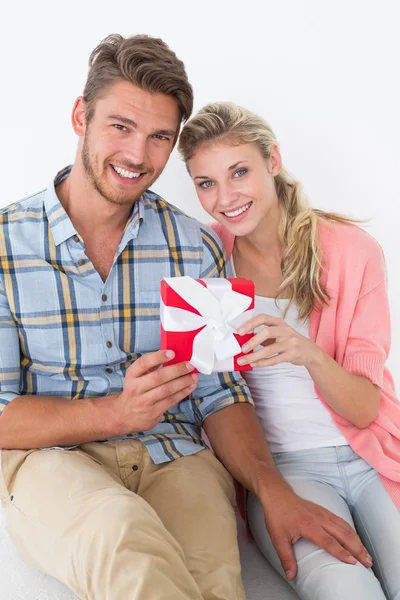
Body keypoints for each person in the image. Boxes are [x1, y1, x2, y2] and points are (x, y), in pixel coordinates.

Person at [0, 35, 370, 600]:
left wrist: (274, 491)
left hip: (176, 453)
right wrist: (114, 413)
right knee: (121, 538)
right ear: (81, 116)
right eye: (120, 126)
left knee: (216, 579)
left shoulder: (193, 245)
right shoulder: (5, 243)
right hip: (51, 458)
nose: (136, 155)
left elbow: (222, 391)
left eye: (158, 138)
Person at [179, 101, 400, 600]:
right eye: (206, 183)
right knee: (348, 592)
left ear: (272, 161)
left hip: (373, 454)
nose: (226, 197)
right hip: (285, 469)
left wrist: (307, 353)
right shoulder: (204, 263)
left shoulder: (350, 250)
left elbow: (366, 408)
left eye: (240, 172)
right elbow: (207, 394)